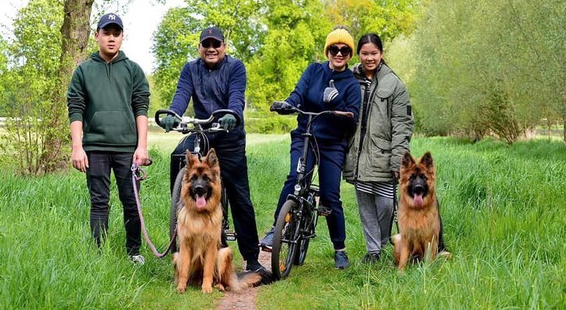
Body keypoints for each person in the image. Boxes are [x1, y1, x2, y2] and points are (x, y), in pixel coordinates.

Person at [161, 26, 269, 276]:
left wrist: (233, 114)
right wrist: (172, 115)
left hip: (229, 135)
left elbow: (236, 97)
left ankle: (252, 259)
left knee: (240, 195)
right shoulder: (190, 69)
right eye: (206, 45)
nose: (211, 49)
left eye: (216, 44)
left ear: (224, 47)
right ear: (199, 47)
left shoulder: (235, 67)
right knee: (178, 156)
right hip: (203, 133)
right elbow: (181, 95)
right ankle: (180, 206)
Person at [260, 26, 361, 269]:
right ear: (327, 50)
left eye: (344, 50)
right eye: (334, 49)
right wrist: (287, 104)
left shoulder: (351, 83)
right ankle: (276, 229)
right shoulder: (314, 71)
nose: (339, 53)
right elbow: (298, 95)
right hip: (305, 136)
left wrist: (337, 103)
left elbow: (353, 117)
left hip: (332, 144)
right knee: (296, 177)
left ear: (350, 54)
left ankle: (340, 249)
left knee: (330, 195)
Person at [343, 33, 447, 263]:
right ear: (358, 54)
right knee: (365, 207)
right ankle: (373, 252)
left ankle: (384, 244)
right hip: (358, 157)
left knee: (386, 207)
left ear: (381, 54)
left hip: (385, 157)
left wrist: (397, 162)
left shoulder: (395, 84)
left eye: (374, 53)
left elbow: (402, 126)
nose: (369, 58)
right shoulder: (349, 80)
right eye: (364, 53)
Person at [67, 13, 151, 264]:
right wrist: (77, 147)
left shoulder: (133, 70)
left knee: (131, 202)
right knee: (99, 202)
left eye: (117, 33)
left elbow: (141, 108)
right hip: (95, 147)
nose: (112, 38)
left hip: (128, 148)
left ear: (122, 37)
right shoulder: (83, 70)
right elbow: (75, 108)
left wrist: (142, 146)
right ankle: (98, 256)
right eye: (107, 33)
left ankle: (133, 253)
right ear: (97, 36)